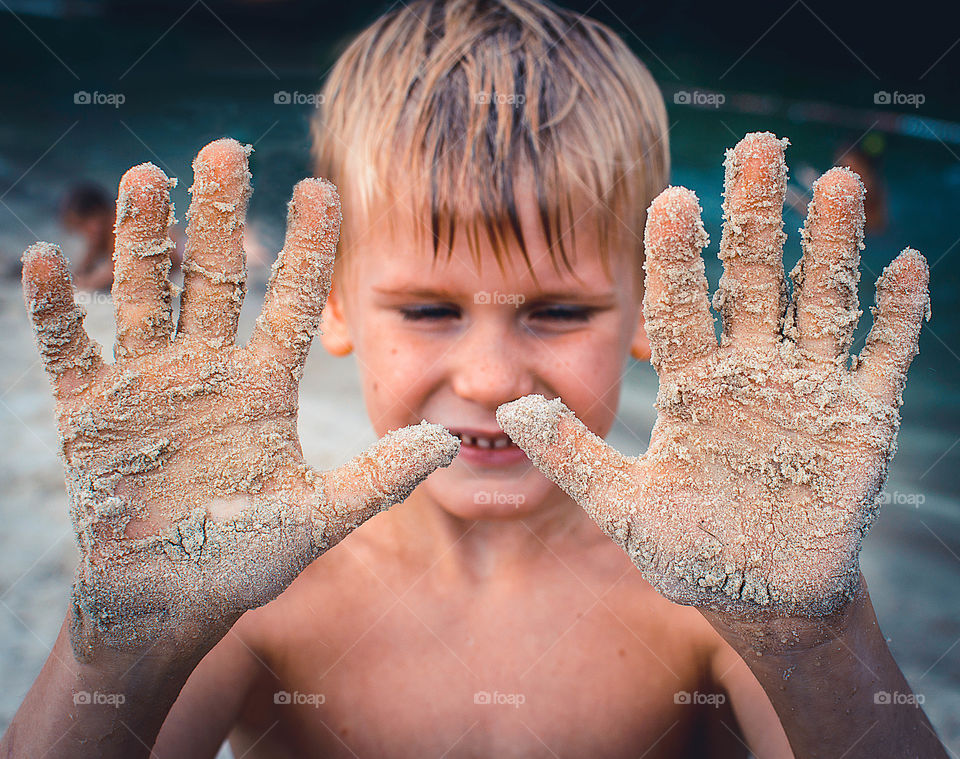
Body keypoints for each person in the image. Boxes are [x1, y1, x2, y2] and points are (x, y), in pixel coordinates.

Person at [1, 0, 947, 757]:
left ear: (658, 310)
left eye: (558, 310)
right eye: (428, 309)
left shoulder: (718, 589)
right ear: (329, 303)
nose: (492, 376)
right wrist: (125, 641)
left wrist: (816, 639)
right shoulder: (256, 585)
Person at [60, 181, 185, 292]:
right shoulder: (101, 234)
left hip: (179, 260)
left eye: (82, 225)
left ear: (99, 213)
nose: (83, 233)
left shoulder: (124, 224)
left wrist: (87, 283)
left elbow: (119, 267)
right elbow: (87, 263)